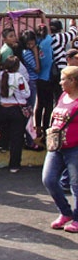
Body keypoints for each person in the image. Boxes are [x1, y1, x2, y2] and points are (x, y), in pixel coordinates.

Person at [42, 66, 78, 233]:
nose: (60, 82)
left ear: (73, 81)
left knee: (75, 185)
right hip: (57, 147)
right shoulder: (63, 96)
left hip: (74, 149)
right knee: (48, 179)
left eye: (64, 79)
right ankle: (65, 212)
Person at [0, 56, 31, 173]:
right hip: (16, 110)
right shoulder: (19, 78)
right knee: (17, 139)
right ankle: (14, 165)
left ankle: (2, 148)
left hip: (2, 109)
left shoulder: (0, 76)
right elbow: (25, 94)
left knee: (4, 134)